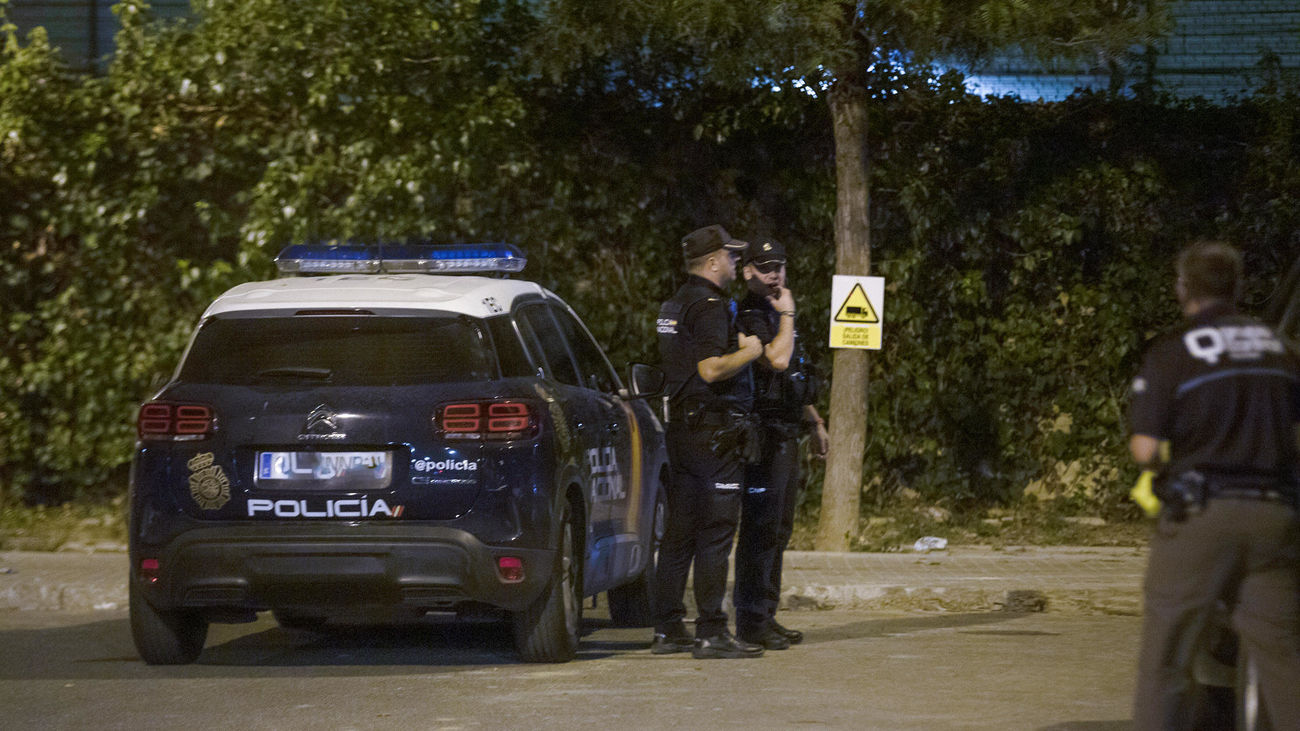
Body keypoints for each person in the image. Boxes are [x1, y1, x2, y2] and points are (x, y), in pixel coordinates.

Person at [1128, 241, 1300, 729]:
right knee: (1284, 658)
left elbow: (1145, 448)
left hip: (1203, 515)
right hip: (1275, 518)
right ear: (1238, 286)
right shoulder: (1279, 349)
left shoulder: (1176, 352)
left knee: (1167, 652)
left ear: (1184, 289)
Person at [651, 224, 766, 659]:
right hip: (714, 434)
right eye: (732, 257)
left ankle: (667, 628)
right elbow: (711, 369)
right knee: (716, 531)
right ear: (714, 261)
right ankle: (711, 632)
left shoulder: (675, 303)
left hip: (682, 430)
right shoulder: (711, 305)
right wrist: (751, 352)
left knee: (680, 532)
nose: (737, 263)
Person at [732, 239, 829, 650]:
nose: (775, 275)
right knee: (760, 529)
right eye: (766, 267)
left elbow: (794, 377)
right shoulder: (750, 313)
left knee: (780, 530)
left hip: (788, 430)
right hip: (764, 433)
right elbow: (777, 360)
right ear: (748, 271)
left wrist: (816, 422)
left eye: (780, 266)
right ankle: (751, 620)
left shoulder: (775, 312)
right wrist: (787, 313)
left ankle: (766, 615)